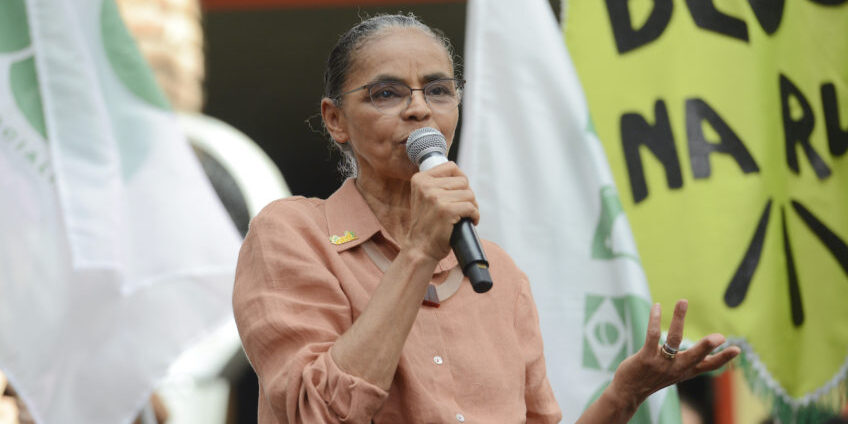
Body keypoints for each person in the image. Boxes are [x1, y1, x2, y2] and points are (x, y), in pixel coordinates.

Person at [232, 13, 740, 424]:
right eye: (386, 93)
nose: (418, 110)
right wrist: (419, 253)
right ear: (335, 120)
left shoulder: (500, 274)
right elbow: (317, 414)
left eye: (437, 90)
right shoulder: (293, 234)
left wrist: (625, 395)